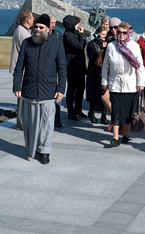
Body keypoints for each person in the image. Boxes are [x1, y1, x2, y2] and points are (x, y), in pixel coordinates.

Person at [12, 14, 66, 165]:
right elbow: (19, 68)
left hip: (48, 91)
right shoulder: (26, 43)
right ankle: (34, 147)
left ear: (48, 29)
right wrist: (17, 86)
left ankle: (45, 151)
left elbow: (62, 68)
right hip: (29, 89)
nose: (37, 29)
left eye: (41, 27)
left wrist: (61, 89)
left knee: (47, 123)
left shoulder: (56, 44)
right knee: (30, 123)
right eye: (35, 26)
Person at [101, 22, 145, 147]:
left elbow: (140, 66)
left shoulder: (134, 46)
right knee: (116, 110)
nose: (121, 35)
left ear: (128, 33)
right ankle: (115, 137)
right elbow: (105, 66)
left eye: (124, 32)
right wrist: (104, 81)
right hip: (115, 82)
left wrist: (141, 83)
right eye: (119, 32)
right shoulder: (111, 46)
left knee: (127, 111)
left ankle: (125, 133)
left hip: (130, 83)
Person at [10, 9, 34, 131]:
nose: (34, 19)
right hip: (22, 69)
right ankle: (21, 123)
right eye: (32, 17)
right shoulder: (23, 33)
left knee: (22, 97)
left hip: (20, 68)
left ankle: (22, 121)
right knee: (22, 97)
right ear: (28, 20)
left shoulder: (20, 30)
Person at [62, 15, 88, 120]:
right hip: (72, 66)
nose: (78, 26)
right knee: (72, 89)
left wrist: (80, 35)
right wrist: (82, 36)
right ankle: (70, 111)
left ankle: (78, 109)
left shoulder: (74, 33)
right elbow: (79, 46)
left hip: (80, 65)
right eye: (77, 24)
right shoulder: (68, 35)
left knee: (81, 88)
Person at [86, 25, 109, 124]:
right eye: (102, 34)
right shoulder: (92, 44)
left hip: (104, 72)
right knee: (94, 95)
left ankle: (104, 115)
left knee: (104, 95)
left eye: (105, 34)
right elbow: (94, 60)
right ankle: (92, 113)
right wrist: (102, 49)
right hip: (94, 72)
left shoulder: (109, 44)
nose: (104, 36)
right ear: (98, 34)